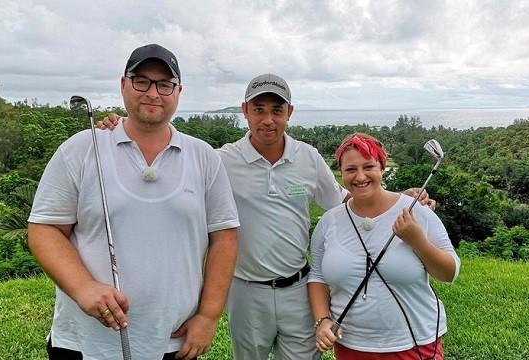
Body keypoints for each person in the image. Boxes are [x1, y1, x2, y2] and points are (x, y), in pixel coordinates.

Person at [99, 74, 433, 359]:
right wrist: (124, 127)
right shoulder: (221, 160)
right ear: (245, 112)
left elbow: (343, 201)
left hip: (299, 288)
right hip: (245, 291)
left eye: (277, 110)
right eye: (258, 109)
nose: (268, 119)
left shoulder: (308, 157)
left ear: (290, 112)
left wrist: (395, 199)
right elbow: (166, 167)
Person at [28, 43, 239, 360]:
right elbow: (44, 228)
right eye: (141, 81)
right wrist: (83, 287)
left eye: (164, 84)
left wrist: (209, 316)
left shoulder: (204, 157)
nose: (153, 93)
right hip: (85, 344)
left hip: (172, 342)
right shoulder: (82, 149)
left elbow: (224, 237)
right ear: (123, 84)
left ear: (178, 91)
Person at [308, 133, 460, 360]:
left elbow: (449, 273)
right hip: (351, 345)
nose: (360, 176)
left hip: (414, 343)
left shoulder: (416, 212)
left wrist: (417, 240)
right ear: (341, 173)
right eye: (350, 169)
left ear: (382, 168)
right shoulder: (329, 222)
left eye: (369, 166)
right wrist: (322, 320)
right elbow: (318, 277)